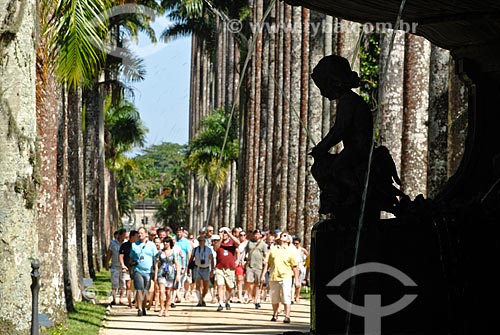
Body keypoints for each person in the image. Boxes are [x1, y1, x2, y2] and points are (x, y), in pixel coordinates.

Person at [310, 55, 373, 212]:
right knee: (320, 167)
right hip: (353, 149)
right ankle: (334, 196)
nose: (323, 93)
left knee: (337, 169)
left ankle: (355, 192)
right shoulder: (347, 100)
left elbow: (340, 129)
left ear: (334, 82)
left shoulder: (348, 101)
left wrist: (322, 147)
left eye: (323, 87)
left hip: (358, 149)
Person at [261, 232, 299, 324]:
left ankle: (287, 316)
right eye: (282, 235)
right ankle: (275, 314)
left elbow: (295, 267)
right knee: (274, 298)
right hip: (274, 276)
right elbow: (267, 263)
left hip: (286, 276)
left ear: (288, 239)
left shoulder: (291, 251)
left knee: (286, 296)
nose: (283, 236)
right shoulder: (273, 250)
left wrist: (297, 280)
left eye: (285, 235)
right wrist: (263, 275)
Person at [130, 227, 157, 316]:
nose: (140, 235)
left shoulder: (152, 245)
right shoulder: (134, 245)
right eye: (139, 233)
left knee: (146, 291)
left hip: (148, 271)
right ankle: (140, 308)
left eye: (142, 233)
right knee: (139, 289)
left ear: (146, 234)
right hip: (138, 270)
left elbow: (156, 259)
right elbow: (131, 258)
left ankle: (144, 306)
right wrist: (131, 268)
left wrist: (155, 271)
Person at [213, 226, 240, 311]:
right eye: (222, 232)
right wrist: (220, 239)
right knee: (220, 285)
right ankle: (221, 302)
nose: (224, 234)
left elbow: (238, 243)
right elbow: (215, 248)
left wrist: (229, 234)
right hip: (219, 268)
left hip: (230, 268)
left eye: (225, 233)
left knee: (229, 286)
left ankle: (227, 301)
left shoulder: (232, 242)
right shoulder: (218, 242)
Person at [155, 236, 179, 317]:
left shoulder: (173, 252)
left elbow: (176, 264)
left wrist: (178, 275)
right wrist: (155, 275)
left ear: (170, 243)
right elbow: (157, 265)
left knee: (168, 292)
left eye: (167, 242)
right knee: (162, 291)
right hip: (161, 273)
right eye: (164, 242)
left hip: (170, 274)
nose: (165, 243)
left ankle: (166, 309)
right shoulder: (160, 253)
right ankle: (161, 308)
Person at [243, 229, 268, 309]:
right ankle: (250, 295)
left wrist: (266, 261)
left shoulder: (263, 244)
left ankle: (256, 300)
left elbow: (266, 254)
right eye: (255, 234)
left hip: (259, 266)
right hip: (250, 265)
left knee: (257, 284)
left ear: (260, 235)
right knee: (249, 281)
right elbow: (245, 251)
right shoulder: (249, 243)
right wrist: (243, 259)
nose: (256, 236)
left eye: (258, 234)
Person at [189, 235, 214, 306]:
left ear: (205, 242)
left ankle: (202, 298)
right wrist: (188, 268)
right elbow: (191, 259)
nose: (201, 242)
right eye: (199, 241)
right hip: (198, 268)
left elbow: (211, 260)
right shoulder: (195, 249)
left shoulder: (208, 250)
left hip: (206, 268)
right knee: (198, 284)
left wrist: (212, 269)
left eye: (202, 241)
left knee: (206, 286)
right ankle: (199, 300)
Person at [105, 228, 126, 305]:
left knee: (123, 284)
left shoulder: (126, 243)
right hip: (115, 266)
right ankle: (114, 299)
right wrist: (106, 263)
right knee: (115, 284)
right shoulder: (113, 243)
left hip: (123, 267)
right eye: (123, 235)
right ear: (119, 235)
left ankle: (121, 299)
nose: (124, 237)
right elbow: (109, 254)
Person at [119, 230, 138, 307]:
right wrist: (123, 265)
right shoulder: (124, 245)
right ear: (132, 236)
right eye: (136, 236)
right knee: (128, 285)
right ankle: (129, 302)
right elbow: (121, 256)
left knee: (136, 286)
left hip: (136, 268)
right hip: (127, 268)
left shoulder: (138, 245)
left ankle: (136, 300)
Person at [291, 237, 309, 303]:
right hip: (293, 266)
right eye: (294, 243)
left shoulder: (302, 250)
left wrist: (305, 264)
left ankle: (297, 296)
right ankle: (292, 297)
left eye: (297, 243)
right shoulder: (291, 249)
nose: (295, 245)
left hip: (301, 267)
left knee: (298, 283)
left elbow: (308, 257)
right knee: (292, 283)